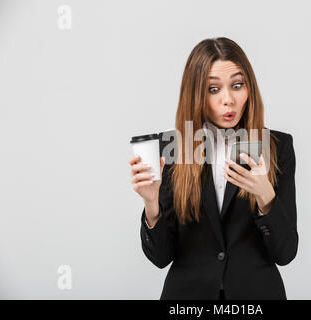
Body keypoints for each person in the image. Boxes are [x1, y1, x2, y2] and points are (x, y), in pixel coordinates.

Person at [128, 37, 298, 300]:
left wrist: (266, 197)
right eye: (213, 89)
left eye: (237, 86)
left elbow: (285, 253)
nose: (228, 100)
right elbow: (160, 257)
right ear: (195, 93)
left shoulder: (277, 146)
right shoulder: (171, 148)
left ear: (249, 88)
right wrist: (151, 205)